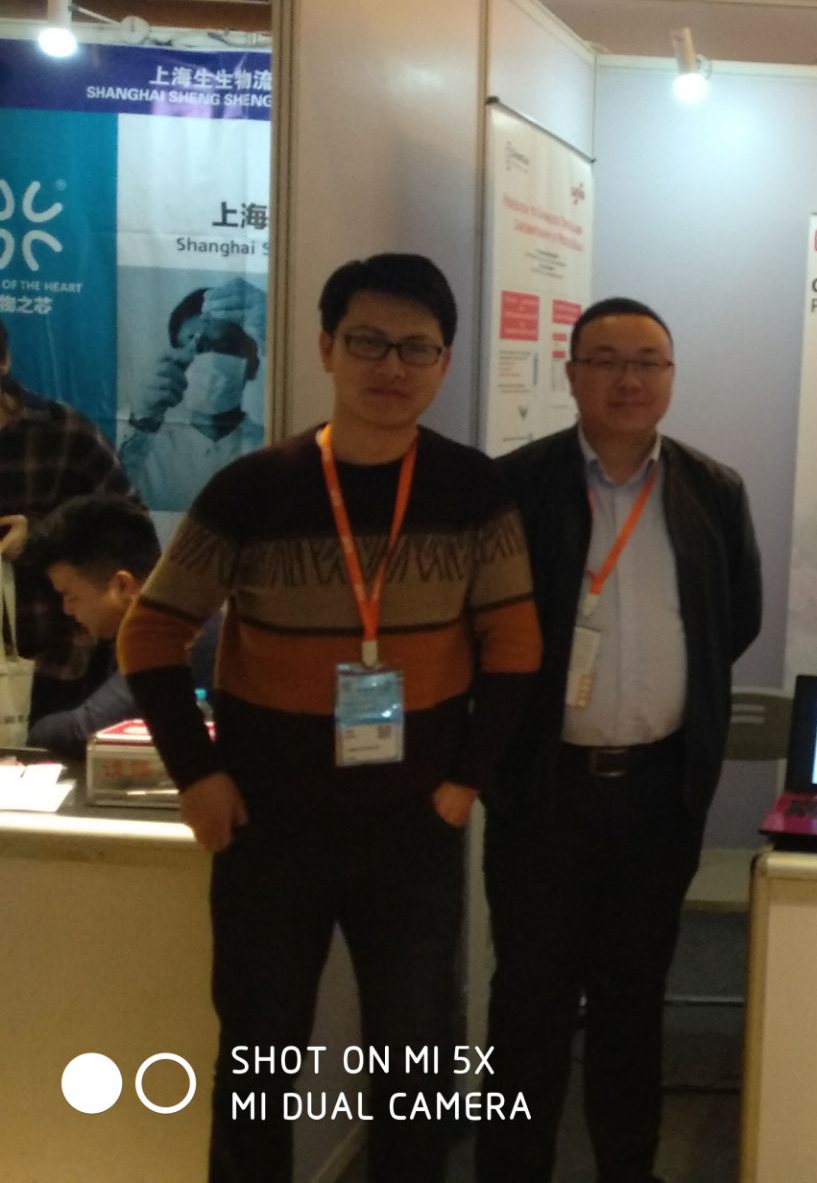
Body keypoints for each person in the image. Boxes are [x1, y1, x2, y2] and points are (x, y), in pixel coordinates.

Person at [119, 254, 543, 1183]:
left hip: (413, 827)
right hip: (268, 826)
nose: (391, 366)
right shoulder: (253, 489)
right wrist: (198, 774)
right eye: (368, 342)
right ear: (324, 347)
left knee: (415, 1064)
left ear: (443, 362)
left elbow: (515, 645)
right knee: (259, 1058)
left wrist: (465, 782)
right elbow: (148, 633)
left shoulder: (473, 490)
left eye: (416, 348)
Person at [479, 297, 761, 1183]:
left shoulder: (714, 490)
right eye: (605, 360)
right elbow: (480, 629)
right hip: (543, 792)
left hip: (659, 792)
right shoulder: (515, 486)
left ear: (671, 377)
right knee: (528, 1003)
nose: (628, 379)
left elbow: (734, 621)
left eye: (648, 362)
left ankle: (629, 1170)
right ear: (571, 375)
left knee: (633, 1001)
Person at [0, 317, 140, 721]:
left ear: (4, 361)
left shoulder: (64, 433)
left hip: (52, 659)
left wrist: (37, 536)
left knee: (51, 751)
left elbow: (132, 532)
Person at [21, 494, 217, 758]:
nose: (67, 609)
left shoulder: (173, 629)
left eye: (70, 595)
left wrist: (35, 731)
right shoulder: (180, 609)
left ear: (122, 586)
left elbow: (80, 732)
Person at [121, 277, 268, 511]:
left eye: (223, 346)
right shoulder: (144, 446)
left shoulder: (270, 444)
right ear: (174, 360)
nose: (207, 358)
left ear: (252, 364)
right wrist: (142, 422)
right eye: (194, 344)